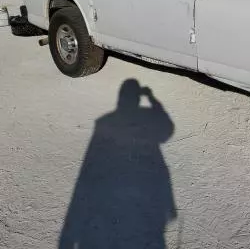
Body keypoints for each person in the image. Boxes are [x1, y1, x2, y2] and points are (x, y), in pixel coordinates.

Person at [59, 79, 176, 249]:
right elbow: (167, 129)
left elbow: (87, 169)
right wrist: (151, 99)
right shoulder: (143, 116)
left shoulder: (105, 122)